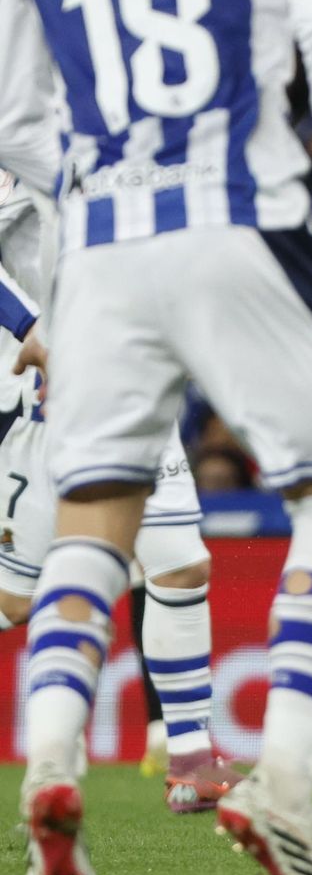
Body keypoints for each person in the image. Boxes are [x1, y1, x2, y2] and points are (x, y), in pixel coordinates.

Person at [0, 0, 312, 875]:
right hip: (236, 218)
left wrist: (92, 180)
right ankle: (288, 792)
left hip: (102, 260)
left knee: (92, 523)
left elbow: (12, 122)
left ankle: (47, 774)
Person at [0, 172, 239, 816]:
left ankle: (190, 762)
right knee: (15, 601)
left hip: (131, 375)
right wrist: (27, 327)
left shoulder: (141, 131)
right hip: (36, 394)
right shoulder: (19, 129)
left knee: (182, 565)